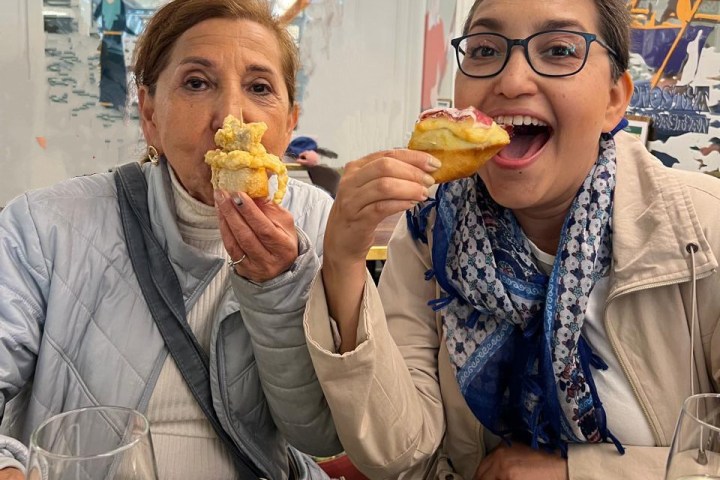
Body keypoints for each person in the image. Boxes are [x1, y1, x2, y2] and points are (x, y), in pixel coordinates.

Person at [303, 0, 720, 479]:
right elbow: (399, 451)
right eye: (484, 49)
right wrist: (342, 263)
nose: (512, 80)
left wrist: (574, 474)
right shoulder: (428, 230)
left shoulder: (703, 233)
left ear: (614, 100)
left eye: (559, 49)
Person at [0, 1, 342, 479]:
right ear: (149, 113)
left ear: (289, 124)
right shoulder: (42, 226)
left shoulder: (318, 222)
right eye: (197, 83)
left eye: (260, 88)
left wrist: (279, 287)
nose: (231, 118)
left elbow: (320, 434)